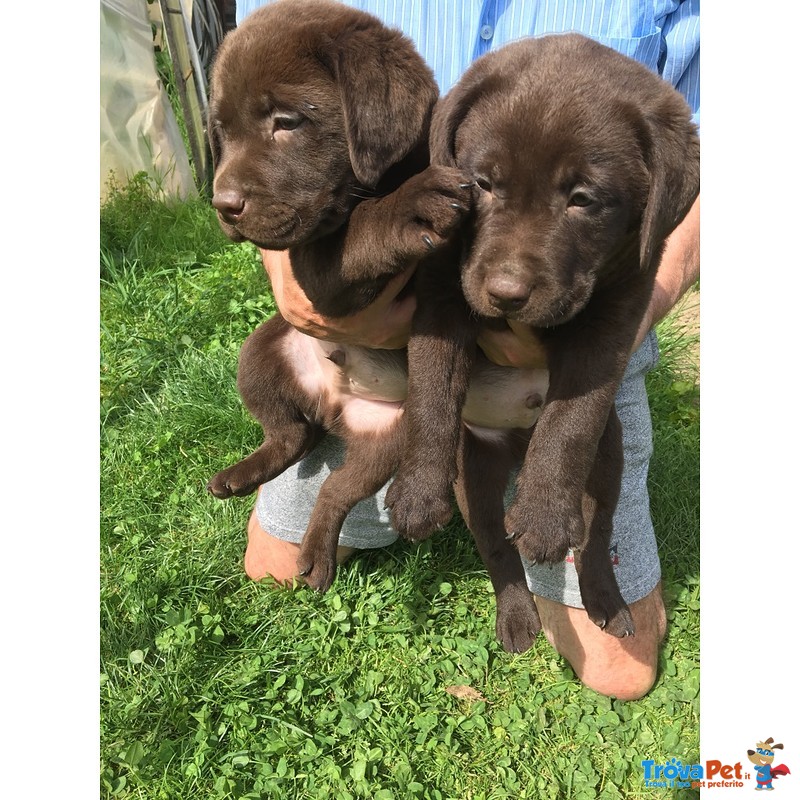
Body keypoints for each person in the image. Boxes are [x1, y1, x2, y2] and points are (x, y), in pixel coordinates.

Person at [234, 0, 700, 701]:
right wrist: (296, 274)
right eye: (484, 184)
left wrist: (632, 308)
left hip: (578, 358)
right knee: (271, 571)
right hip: (392, 320)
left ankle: (560, 535)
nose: (512, 273)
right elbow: (261, 104)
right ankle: (454, 520)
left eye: (584, 199)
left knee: (621, 672)